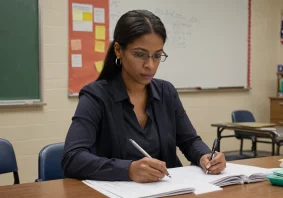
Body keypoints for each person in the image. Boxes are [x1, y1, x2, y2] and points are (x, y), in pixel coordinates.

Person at [61, 10, 226, 183]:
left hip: (170, 190)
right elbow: (72, 158)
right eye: (140, 55)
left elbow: (189, 140)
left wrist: (205, 156)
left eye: (157, 56)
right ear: (118, 50)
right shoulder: (96, 96)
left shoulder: (166, 92)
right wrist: (128, 170)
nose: (150, 65)